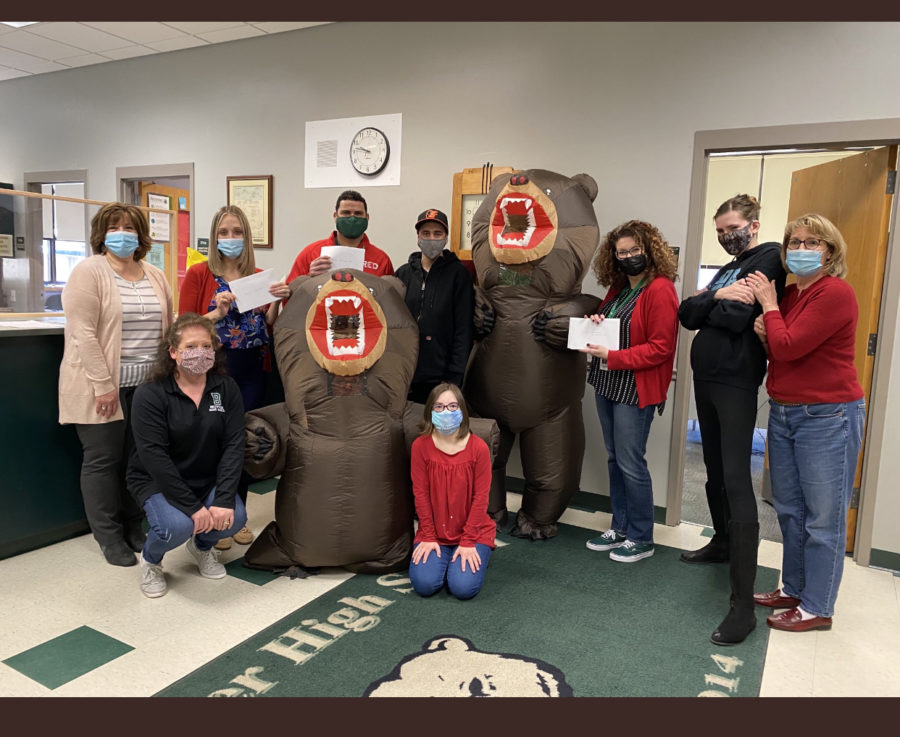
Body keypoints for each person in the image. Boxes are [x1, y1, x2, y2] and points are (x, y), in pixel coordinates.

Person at [746, 214, 865, 633]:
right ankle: (794, 588)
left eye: (811, 242)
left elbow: (790, 345)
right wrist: (767, 330)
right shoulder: (795, 294)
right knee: (791, 511)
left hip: (826, 416)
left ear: (829, 251)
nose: (800, 249)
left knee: (822, 519)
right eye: (793, 242)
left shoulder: (835, 293)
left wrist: (769, 309)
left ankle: (817, 607)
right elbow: (779, 349)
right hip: (784, 410)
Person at [677, 194, 787, 646]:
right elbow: (686, 314)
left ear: (754, 225)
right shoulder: (728, 270)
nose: (726, 235)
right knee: (715, 472)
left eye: (733, 227)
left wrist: (712, 304)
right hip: (706, 377)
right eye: (720, 230)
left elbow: (740, 316)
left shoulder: (770, 258)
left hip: (736, 382)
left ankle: (743, 607)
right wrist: (716, 296)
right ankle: (722, 542)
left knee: (738, 480)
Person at [59, 203, 173, 567]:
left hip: (147, 387)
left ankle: (133, 524)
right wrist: (104, 385)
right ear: (101, 233)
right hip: (102, 386)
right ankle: (108, 537)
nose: (122, 233)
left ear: (141, 234)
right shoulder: (88, 271)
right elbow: (83, 333)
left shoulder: (155, 274)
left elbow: (168, 327)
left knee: (137, 461)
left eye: (129, 227)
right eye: (114, 227)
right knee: (103, 459)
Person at [179, 206, 290, 550]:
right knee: (213, 438)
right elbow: (183, 328)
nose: (230, 238)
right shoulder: (199, 275)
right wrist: (216, 312)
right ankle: (208, 514)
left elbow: (265, 325)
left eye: (237, 231)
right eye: (224, 232)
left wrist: (276, 302)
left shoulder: (256, 275)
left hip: (253, 372)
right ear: (214, 237)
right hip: (215, 372)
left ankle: (233, 512)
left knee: (242, 442)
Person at [127, 313, 248, 598]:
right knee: (175, 527)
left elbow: (234, 444)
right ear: (173, 352)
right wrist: (193, 508)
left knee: (235, 518)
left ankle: (202, 547)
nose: (200, 353)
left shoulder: (224, 388)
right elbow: (153, 456)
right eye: (191, 346)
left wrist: (223, 499)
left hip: (207, 474)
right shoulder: (151, 394)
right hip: (158, 479)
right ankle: (151, 560)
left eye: (206, 346)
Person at [579, 221, 679, 563]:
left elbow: (662, 348)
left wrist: (614, 355)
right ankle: (619, 526)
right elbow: (615, 327)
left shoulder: (660, 289)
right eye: (622, 252)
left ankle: (641, 536)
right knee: (614, 458)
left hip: (634, 388)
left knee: (631, 462)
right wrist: (596, 323)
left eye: (635, 250)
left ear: (649, 251)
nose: (628, 257)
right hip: (607, 382)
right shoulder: (619, 287)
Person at [409, 383, 495, 600]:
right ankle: (446, 560)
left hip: (472, 533)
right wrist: (427, 535)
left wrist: (467, 542)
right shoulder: (420, 446)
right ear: (430, 412)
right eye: (438, 407)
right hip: (434, 533)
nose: (445, 412)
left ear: (462, 411)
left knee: (463, 589)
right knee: (424, 585)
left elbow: (481, 498)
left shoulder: (479, 448)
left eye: (452, 406)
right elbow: (420, 494)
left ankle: (467, 556)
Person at [395, 208, 474, 403]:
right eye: (426, 233)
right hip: (407, 377)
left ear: (446, 238)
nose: (431, 239)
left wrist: (453, 378)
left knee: (438, 430)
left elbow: (464, 330)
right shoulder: (402, 274)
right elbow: (394, 328)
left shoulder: (458, 275)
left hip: (442, 377)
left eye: (437, 233)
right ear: (418, 237)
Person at [286, 190, 393, 281]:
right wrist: (309, 278)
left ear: (367, 217)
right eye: (346, 213)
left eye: (358, 213)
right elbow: (290, 296)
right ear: (335, 216)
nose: (352, 218)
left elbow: (389, 298)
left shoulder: (381, 259)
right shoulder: (311, 253)